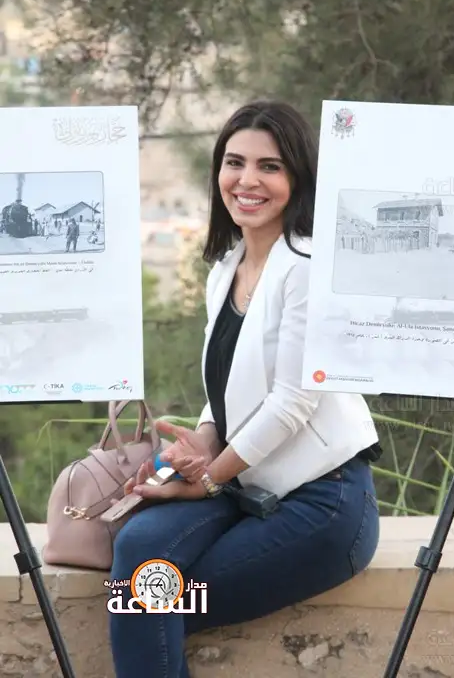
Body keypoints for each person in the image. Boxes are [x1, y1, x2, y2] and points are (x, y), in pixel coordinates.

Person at [109, 100, 382, 678]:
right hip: (247, 489)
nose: (247, 180)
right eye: (234, 163)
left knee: (149, 599)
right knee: (136, 552)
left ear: (298, 178)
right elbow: (227, 392)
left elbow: (291, 402)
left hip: (323, 502)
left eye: (269, 166)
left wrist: (209, 478)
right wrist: (194, 451)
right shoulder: (225, 268)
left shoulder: (309, 268)